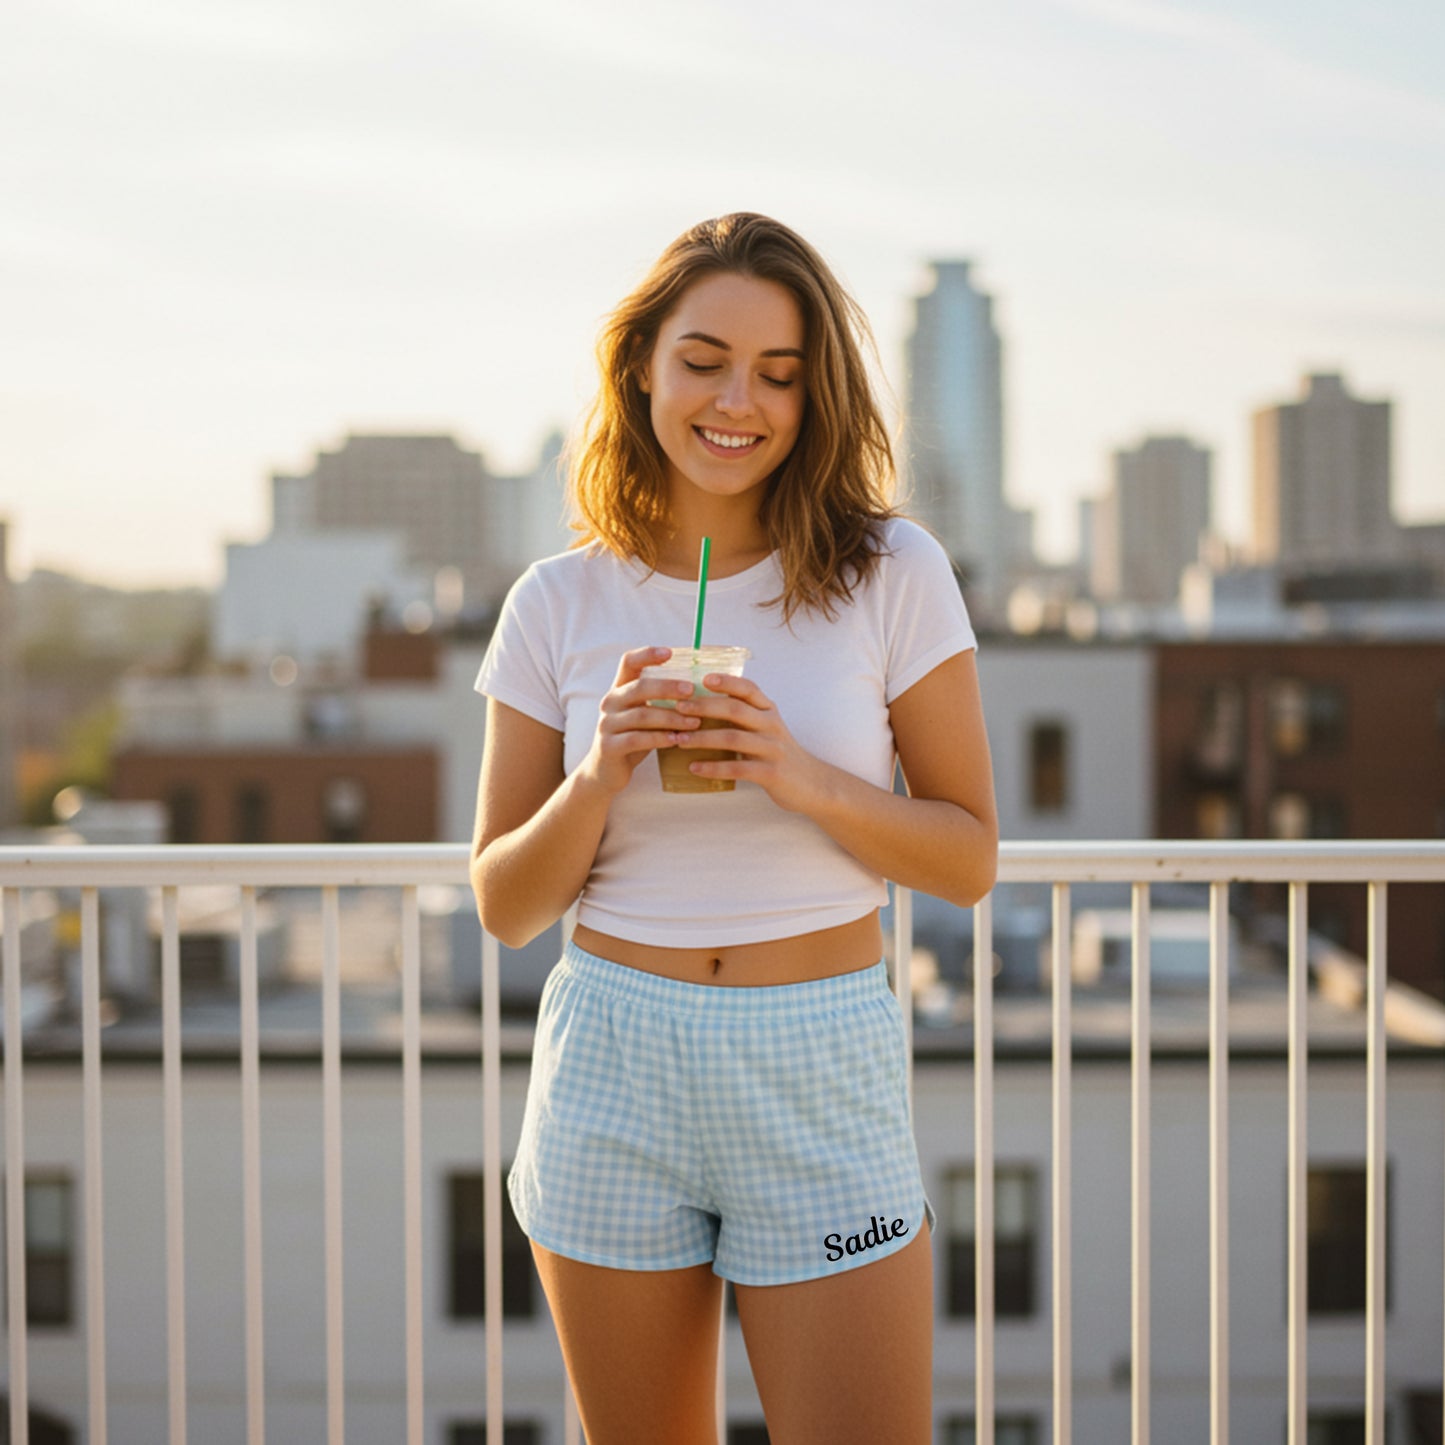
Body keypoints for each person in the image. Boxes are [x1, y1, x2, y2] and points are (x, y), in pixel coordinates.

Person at [470, 212, 997, 1445]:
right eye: (703, 358)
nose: (735, 401)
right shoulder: (555, 600)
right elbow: (503, 903)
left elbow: (967, 858)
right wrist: (601, 770)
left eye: (777, 373)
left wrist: (799, 775)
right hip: (612, 1060)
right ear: (641, 363)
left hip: (814, 1057)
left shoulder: (892, 572)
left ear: (815, 397)